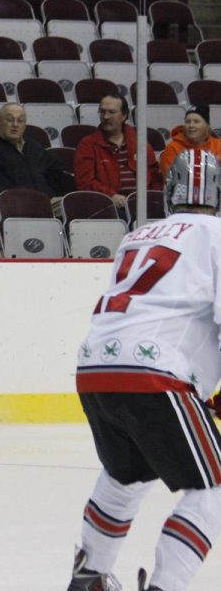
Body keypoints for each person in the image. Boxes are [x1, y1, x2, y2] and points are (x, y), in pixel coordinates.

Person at [67, 148, 221, 591]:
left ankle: (89, 577)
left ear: (170, 192)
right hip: (156, 372)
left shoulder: (139, 235)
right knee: (212, 489)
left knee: (126, 475)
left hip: (95, 365)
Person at [0, 102, 73, 219]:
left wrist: (47, 192)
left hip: (41, 200)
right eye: (10, 120)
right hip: (5, 201)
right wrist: (11, 194)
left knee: (73, 205)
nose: (15, 124)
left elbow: (55, 171)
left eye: (20, 120)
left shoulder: (33, 146)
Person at [74, 93, 162, 210]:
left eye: (111, 112)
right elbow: (85, 182)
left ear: (124, 116)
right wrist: (110, 196)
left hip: (144, 205)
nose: (105, 117)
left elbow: (154, 175)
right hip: (107, 206)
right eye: (102, 112)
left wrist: (152, 198)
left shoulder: (139, 142)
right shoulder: (88, 144)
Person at [159, 104, 221, 178]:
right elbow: (170, 180)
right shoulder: (172, 148)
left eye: (196, 121)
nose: (191, 125)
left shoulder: (218, 146)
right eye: (188, 122)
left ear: (206, 126)